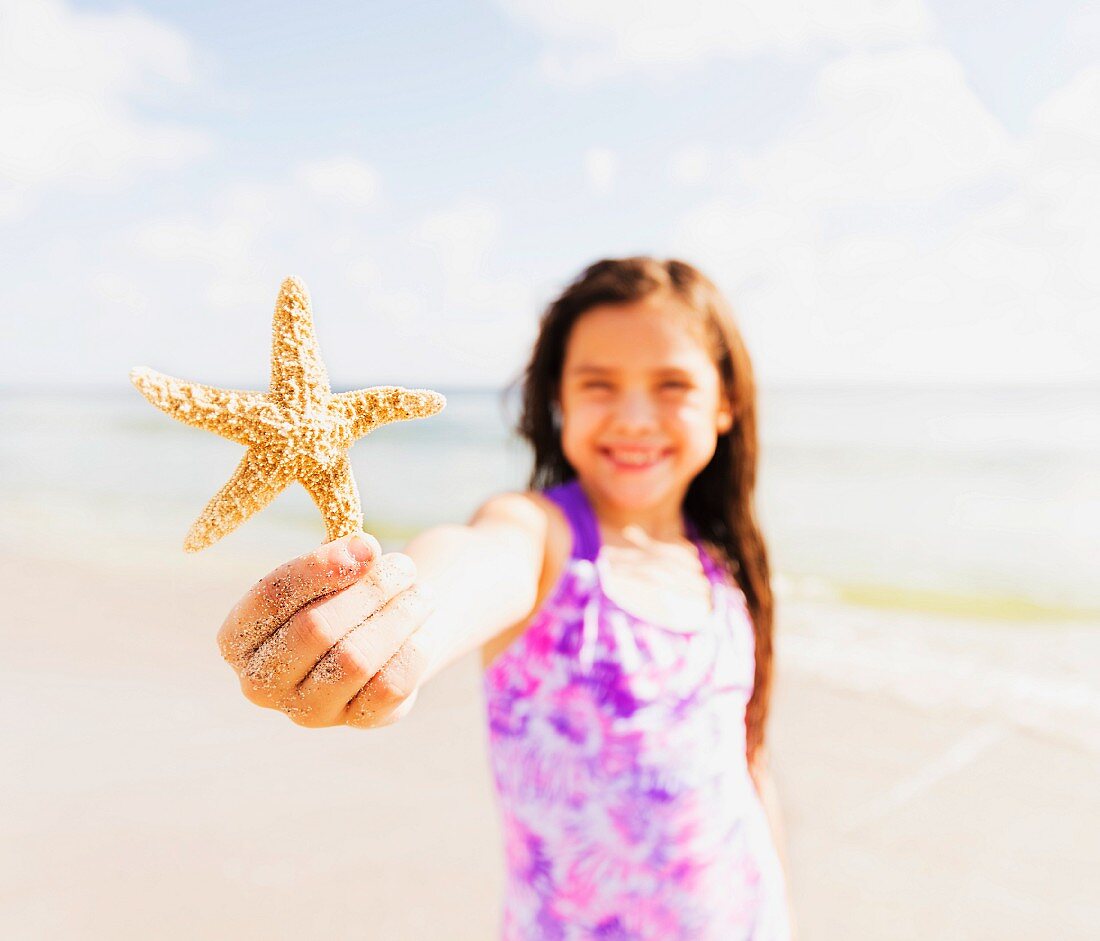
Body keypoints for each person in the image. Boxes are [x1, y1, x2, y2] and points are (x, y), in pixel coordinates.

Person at [217, 256, 796, 939]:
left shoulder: (725, 572)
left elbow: (744, 762)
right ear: (559, 399)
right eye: (598, 384)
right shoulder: (544, 540)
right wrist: (397, 625)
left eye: (672, 384)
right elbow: (479, 560)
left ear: (725, 401)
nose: (636, 417)